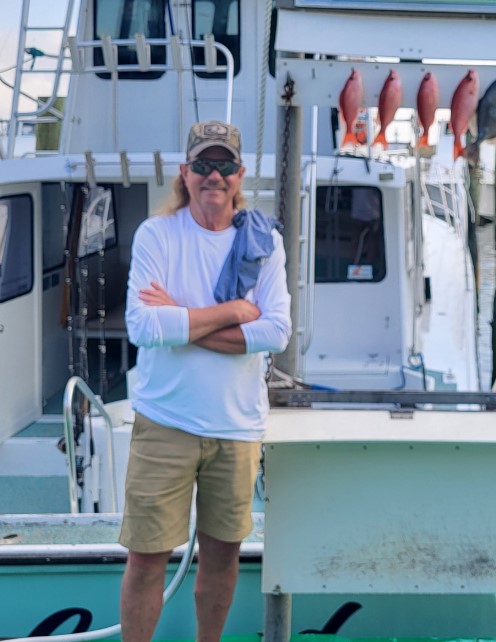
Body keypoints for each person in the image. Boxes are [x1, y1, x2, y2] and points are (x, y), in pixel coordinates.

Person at [120, 119, 292, 642]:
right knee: (146, 558)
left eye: (222, 165)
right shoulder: (157, 234)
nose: (212, 175)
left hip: (236, 428)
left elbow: (276, 331)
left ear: (239, 174)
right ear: (184, 173)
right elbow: (144, 326)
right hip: (165, 422)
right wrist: (234, 311)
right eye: (202, 165)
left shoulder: (264, 243)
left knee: (223, 556)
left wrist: (185, 318)